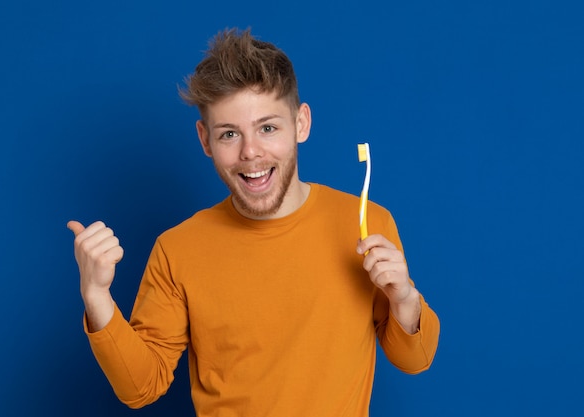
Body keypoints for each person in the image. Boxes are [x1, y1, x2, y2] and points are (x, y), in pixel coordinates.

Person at [68, 28, 439, 416]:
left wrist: (404, 299)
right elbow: (140, 387)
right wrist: (97, 298)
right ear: (205, 140)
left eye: (267, 128)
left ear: (301, 124)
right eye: (229, 134)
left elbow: (416, 360)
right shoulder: (177, 249)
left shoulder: (366, 223)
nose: (251, 153)